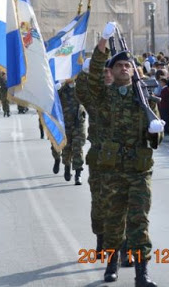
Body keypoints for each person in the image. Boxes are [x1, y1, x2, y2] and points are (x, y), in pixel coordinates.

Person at [89, 22, 163, 287]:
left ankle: (142, 274)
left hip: (139, 170)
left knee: (139, 221)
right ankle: (111, 264)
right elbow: (92, 77)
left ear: (133, 71)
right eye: (119, 66)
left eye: (127, 66)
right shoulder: (104, 97)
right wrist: (102, 43)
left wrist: (156, 129)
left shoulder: (145, 99)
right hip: (112, 170)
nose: (124, 68)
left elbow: (157, 137)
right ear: (112, 70)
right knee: (113, 220)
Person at [75, 58, 108, 258]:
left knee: (126, 206)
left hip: (126, 162)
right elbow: (81, 92)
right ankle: (101, 240)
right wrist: (84, 73)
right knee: (99, 202)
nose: (107, 76)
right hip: (100, 158)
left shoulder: (131, 94)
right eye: (103, 73)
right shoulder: (96, 98)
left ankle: (125, 247)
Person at [51, 78, 86, 184]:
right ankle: (66, 165)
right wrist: (56, 89)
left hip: (78, 123)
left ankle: (78, 174)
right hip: (64, 124)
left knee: (77, 148)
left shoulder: (80, 88)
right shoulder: (61, 89)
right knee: (66, 147)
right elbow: (52, 100)